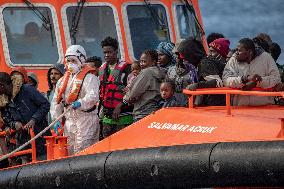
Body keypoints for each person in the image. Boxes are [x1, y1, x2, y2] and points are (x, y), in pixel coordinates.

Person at [51, 45, 100, 155]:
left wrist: (80, 102)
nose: (70, 63)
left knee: (83, 151)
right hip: (69, 121)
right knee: (69, 150)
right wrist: (57, 120)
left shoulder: (90, 78)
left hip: (86, 120)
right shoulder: (62, 81)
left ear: (81, 60)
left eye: (73, 60)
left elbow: (93, 96)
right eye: (68, 60)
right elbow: (56, 102)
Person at [223, 38, 281, 106]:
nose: (236, 53)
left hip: (265, 109)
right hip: (239, 109)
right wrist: (243, 79)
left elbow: (276, 79)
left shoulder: (266, 58)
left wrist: (257, 82)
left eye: (239, 50)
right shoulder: (234, 59)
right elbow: (226, 79)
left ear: (249, 52)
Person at [10, 67, 50, 161]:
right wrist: (13, 124)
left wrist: (34, 119)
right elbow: (8, 116)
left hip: (39, 136)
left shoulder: (28, 89)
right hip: (23, 140)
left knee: (42, 160)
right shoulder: (9, 95)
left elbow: (45, 104)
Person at [99, 37, 132, 138]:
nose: (106, 55)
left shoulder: (127, 68)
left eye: (109, 52)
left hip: (124, 116)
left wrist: (120, 105)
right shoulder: (102, 69)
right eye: (104, 52)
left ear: (116, 52)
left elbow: (132, 90)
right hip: (106, 117)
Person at [122, 49, 166, 121]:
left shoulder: (146, 73)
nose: (141, 64)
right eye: (141, 61)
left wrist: (126, 98)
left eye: (144, 61)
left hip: (142, 113)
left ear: (153, 62)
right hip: (156, 111)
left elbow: (132, 95)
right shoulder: (162, 72)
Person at [186, 38, 230, 106]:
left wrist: (197, 85)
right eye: (209, 51)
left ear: (221, 53)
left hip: (219, 106)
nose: (209, 55)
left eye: (213, 51)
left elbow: (218, 82)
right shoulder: (211, 63)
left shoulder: (230, 67)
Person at [167, 37, 205, 106]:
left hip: (191, 105)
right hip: (175, 105)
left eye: (180, 54)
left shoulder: (195, 69)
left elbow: (200, 91)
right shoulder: (170, 70)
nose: (178, 57)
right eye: (176, 54)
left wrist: (195, 105)